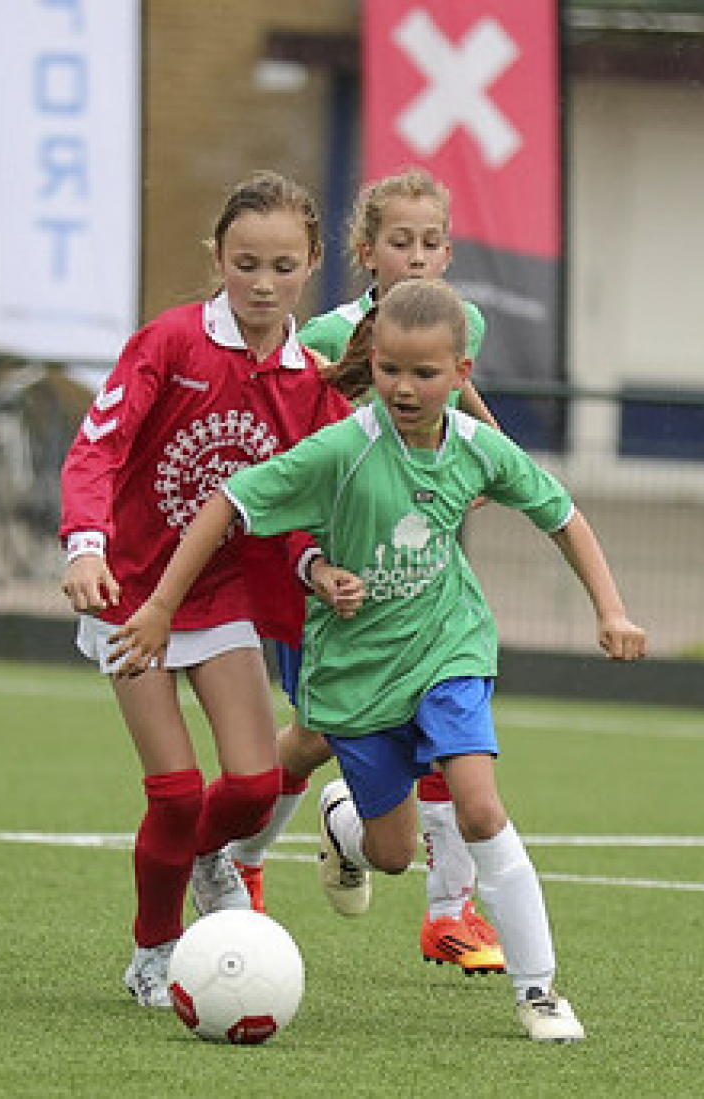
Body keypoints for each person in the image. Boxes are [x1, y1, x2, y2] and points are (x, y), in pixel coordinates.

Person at [114, 278, 648, 1043]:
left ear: (462, 375)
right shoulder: (344, 448)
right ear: (372, 361)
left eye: (426, 373)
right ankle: (344, 821)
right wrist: (163, 604)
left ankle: (539, 991)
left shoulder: (475, 447)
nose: (405, 386)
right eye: (391, 368)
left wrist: (611, 608)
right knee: (393, 852)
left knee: (479, 805)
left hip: (449, 649)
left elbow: (561, 514)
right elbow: (230, 502)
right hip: (359, 673)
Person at [56, 170, 351, 1009]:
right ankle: (153, 953)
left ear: (313, 264)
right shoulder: (170, 343)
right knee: (178, 792)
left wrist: (313, 566)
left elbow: (300, 503)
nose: (263, 283)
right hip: (133, 594)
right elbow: (96, 448)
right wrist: (85, 545)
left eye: (284, 266)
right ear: (216, 257)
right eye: (245, 262)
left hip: (222, 597)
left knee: (255, 787)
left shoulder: (314, 384)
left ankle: (198, 856)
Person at [221, 167, 509, 976]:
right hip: (339, 581)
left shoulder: (464, 324)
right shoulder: (321, 340)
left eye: (430, 243)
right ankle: (257, 850)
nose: (416, 258)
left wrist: (495, 459)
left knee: (451, 729)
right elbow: (300, 451)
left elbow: (462, 401)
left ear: (447, 251)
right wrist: (310, 556)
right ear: (365, 251)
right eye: (399, 242)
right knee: (311, 738)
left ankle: (449, 913)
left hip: (418, 579)